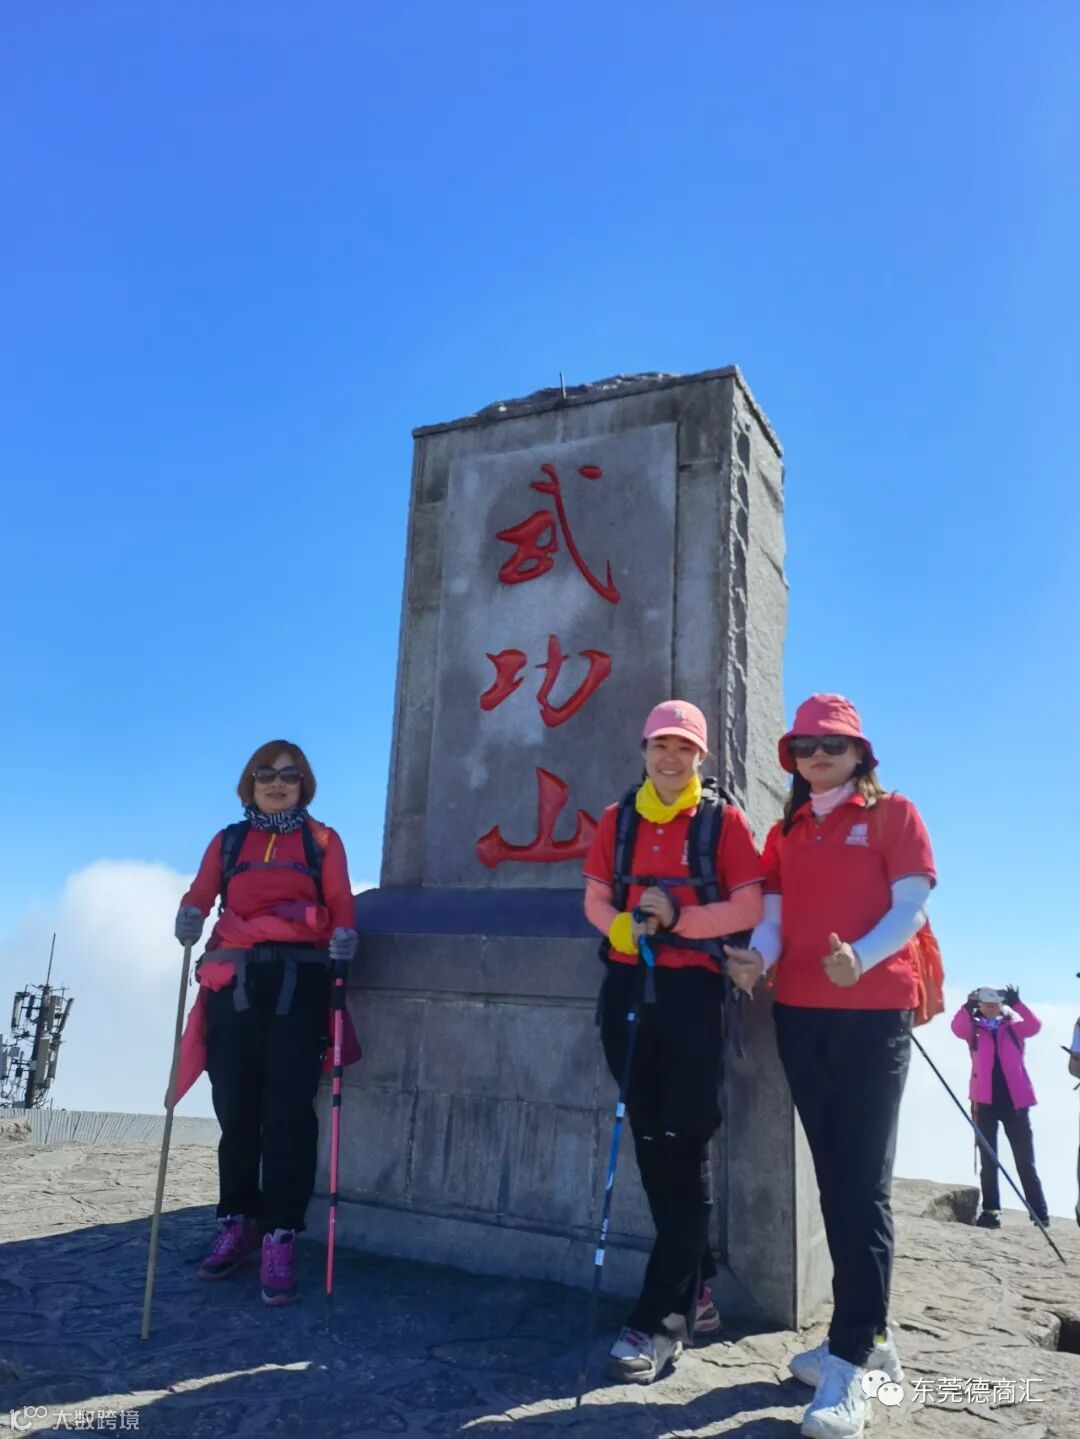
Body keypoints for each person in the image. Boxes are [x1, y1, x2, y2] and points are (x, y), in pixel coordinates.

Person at [724, 694, 935, 1439]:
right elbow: (773, 918)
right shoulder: (786, 830)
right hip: (799, 1013)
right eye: (805, 747)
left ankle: (849, 1365)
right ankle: (872, 1338)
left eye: (832, 746)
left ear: (860, 754)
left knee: (861, 1187)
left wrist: (862, 959)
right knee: (836, 1181)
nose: (817, 756)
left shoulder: (894, 813)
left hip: (873, 1014)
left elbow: (911, 905)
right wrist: (759, 959)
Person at [582, 701, 764, 1384]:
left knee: (683, 1144)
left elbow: (749, 904)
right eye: (660, 744)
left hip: (693, 995)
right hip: (627, 988)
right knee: (652, 1139)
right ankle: (699, 1286)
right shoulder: (617, 819)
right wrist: (627, 928)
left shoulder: (723, 822)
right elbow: (595, 900)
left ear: (700, 757)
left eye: (684, 747)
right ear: (643, 750)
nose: (670, 757)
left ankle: (660, 1320)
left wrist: (679, 917)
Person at [172, 739, 358, 1306]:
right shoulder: (228, 842)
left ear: (305, 784)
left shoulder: (322, 842)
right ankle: (238, 1220)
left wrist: (345, 936)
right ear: (249, 783)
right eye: (265, 773)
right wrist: (189, 913)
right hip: (235, 988)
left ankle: (279, 1233)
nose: (277, 782)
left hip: (298, 988)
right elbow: (201, 892)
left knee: (287, 1114)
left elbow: (340, 902)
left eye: (290, 774)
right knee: (236, 1111)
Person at [950, 987, 1048, 1229]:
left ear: (1002, 1005)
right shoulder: (974, 1030)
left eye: (995, 1003)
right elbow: (957, 1028)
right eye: (986, 1003)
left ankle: (1039, 1213)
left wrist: (1018, 1004)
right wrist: (967, 1007)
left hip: (1016, 1103)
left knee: (1025, 1161)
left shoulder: (1013, 1028)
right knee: (989, 1160)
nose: (991, 1007)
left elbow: (1035, 1025)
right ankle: (991, 1211)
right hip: (984, 1103)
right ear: (980, 1006)